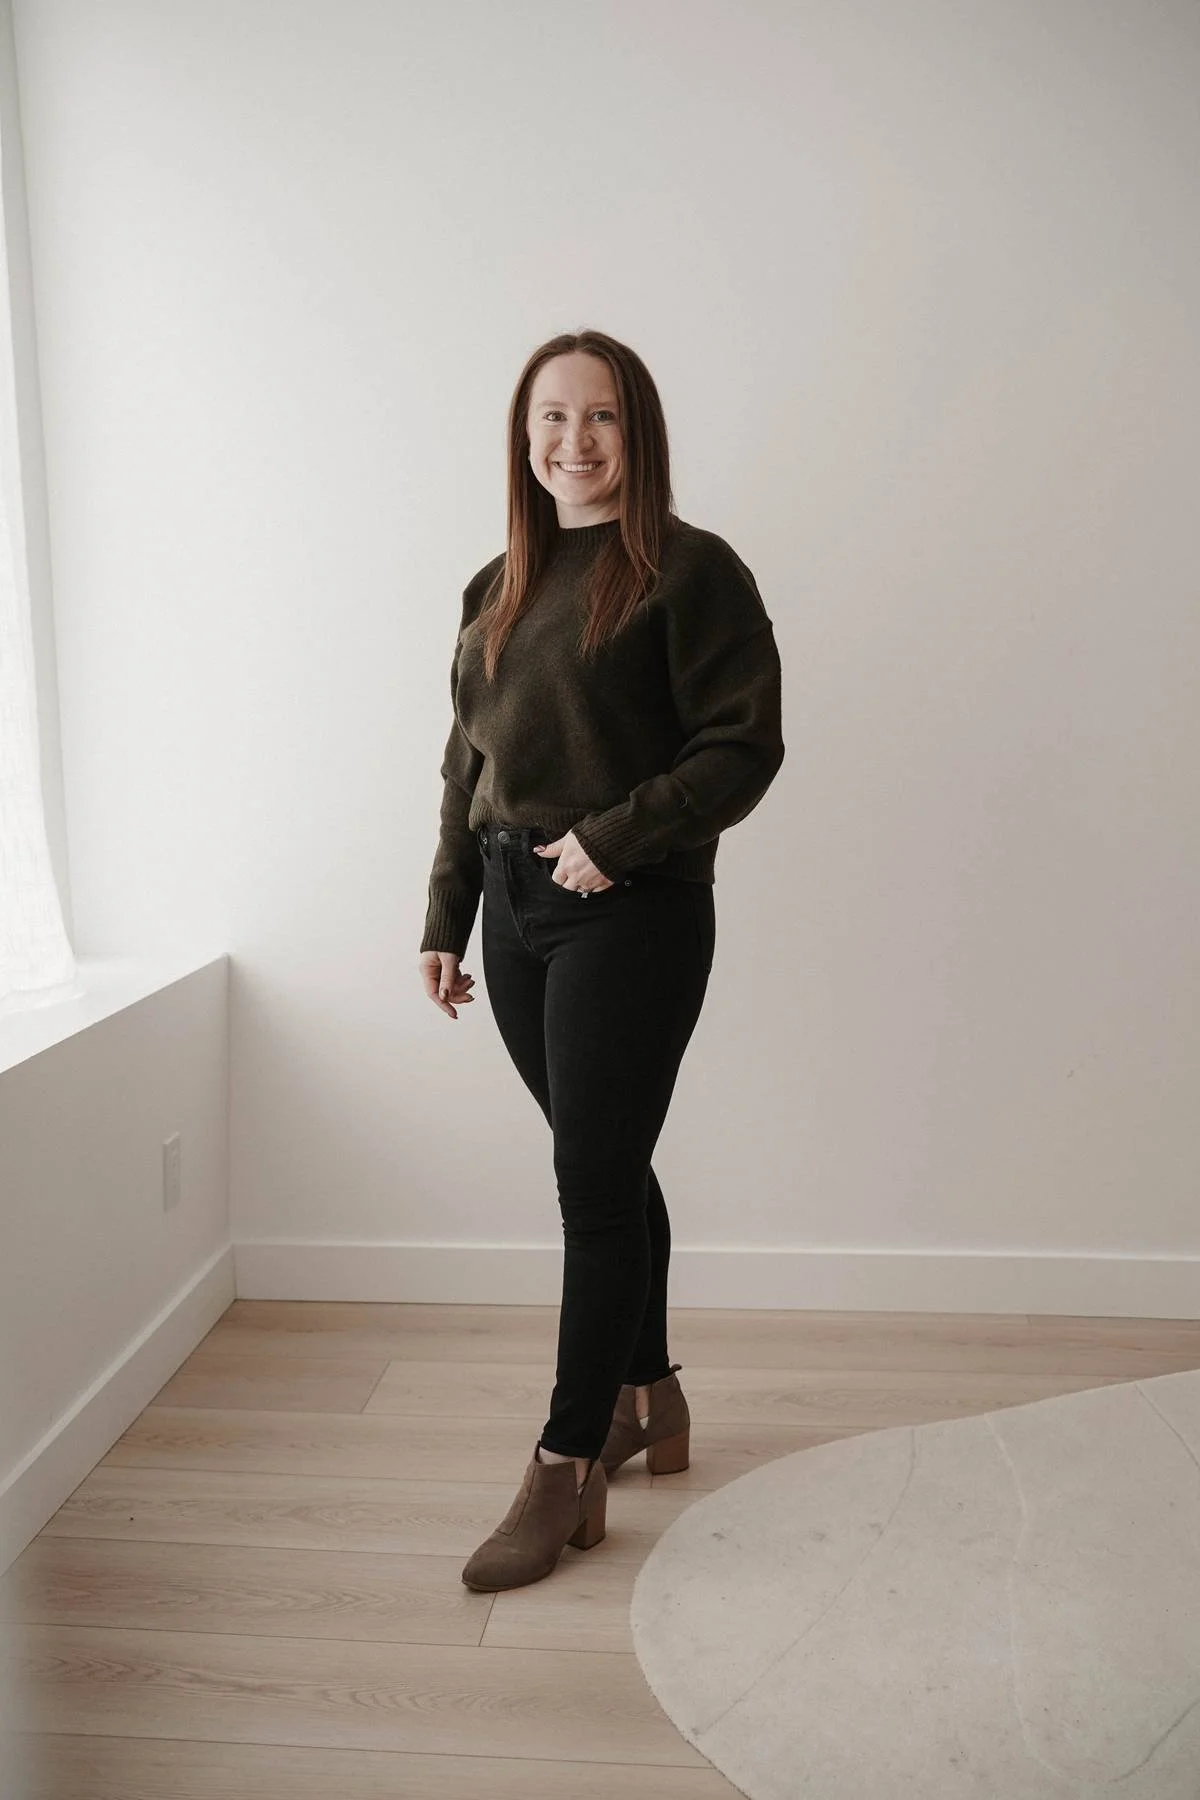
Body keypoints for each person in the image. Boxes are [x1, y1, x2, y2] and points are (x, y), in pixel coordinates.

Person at [417, 328, 785, 1593]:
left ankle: (568, 1463)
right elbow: (469, 767)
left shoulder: (689, 572)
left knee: (590, 1184)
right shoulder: (496, 584)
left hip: (632, 911)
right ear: (524, 440)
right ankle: (652, 1399)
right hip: (516, 912)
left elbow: (744, 748)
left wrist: (613, 840)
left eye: (602, 418)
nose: (574, 443)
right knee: (609, 1164)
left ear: (641, 432)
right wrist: (445, 916)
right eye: (551, 420)